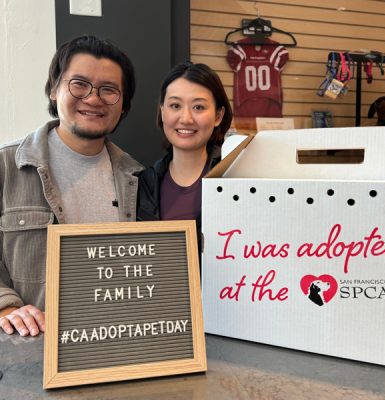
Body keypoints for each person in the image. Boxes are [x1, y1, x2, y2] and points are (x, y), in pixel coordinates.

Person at [0, 35, 143, 336]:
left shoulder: (139, 179)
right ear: (54, 89)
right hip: (29, 353)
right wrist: (7, 306)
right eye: (79, 84)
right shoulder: (6, 166)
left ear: (123, 105)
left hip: (118, 345)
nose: (93, 98)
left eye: (109, 90)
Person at [136, 62, 232, 240]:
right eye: (175, 106)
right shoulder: (141, 185)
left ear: (218, 116)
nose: (186, 119)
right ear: (163, 111)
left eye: (198, 107)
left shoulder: (236, 179)